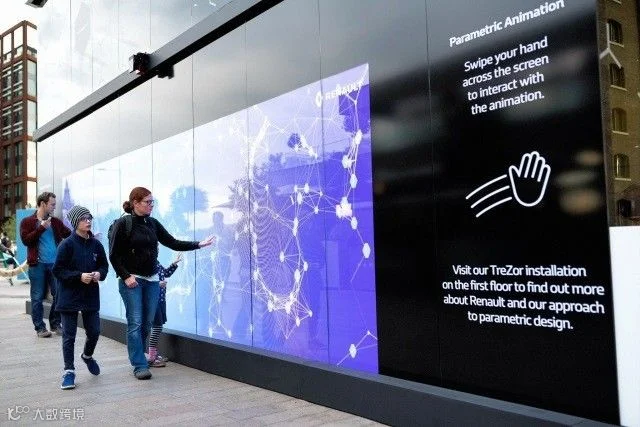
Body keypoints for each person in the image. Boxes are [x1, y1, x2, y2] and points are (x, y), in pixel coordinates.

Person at [109, 187, 215, 380]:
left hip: (152, 280)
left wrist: (199, 244)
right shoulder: (124, 224)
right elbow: (114, 255)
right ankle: (139, 364)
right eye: (147, 202)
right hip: (132, 280)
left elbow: (172, 242)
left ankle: (140, 355)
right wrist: (126, 276)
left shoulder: (152, 223)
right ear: (135, 203)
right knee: (135, 322)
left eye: (152, 202)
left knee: (147, 323)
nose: (151, 205)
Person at [53, 206, 109, 390]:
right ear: (75, 222)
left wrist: (99, 274)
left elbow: (104, 266)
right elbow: (58, 270)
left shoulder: (96, 245)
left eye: (89, 217)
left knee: (94, 331)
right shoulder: (66, 245)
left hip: (90, 295)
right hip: (68, 296)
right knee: (69, 336)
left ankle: (87, 356)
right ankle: (69, 371)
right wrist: (79, 276)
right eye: (84, 218)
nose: (88, 221)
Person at [20, 192, 72, 337]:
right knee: (37, 297)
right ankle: (40, 328)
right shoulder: (27, 222)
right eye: (52, 204)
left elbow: (69, 234)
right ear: (43, 204)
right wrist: (41, 228)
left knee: (59, 294)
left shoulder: (55, 222)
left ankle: (55, 324)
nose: (54, 207)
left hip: (55, 265)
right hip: (37, 265)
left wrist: (87, 235)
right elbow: (26, 241)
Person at [147, 253, 183, 368]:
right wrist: (158, 284)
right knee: (157, 327)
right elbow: (144, 282)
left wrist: (174, 264)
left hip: (161, 300)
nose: (157, 249)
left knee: (157, 327)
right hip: (153, 301)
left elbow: (166, 273)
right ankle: (151, 357)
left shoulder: (156, 262)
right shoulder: (147, 263)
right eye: (155, 247)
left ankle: (154, 355)